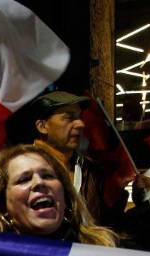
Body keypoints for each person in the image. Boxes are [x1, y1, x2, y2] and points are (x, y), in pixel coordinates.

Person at [22, 90, 128, 228]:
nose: (80, 124)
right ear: (42, 126)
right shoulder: (18, 171)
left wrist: (121, 192)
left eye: (79, 117)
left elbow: (107, 223)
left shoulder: (92, 170)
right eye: (69, 117)